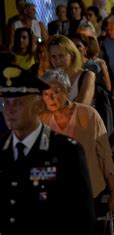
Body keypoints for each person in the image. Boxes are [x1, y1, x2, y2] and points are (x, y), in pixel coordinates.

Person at [0, 65, 95, 234]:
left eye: (18, 103)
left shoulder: (66, 151)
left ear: (38, 106)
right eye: (6, 103)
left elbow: (82, 217)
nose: (9, 109)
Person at [40, 69, 114, 214]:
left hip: (88, 189)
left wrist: (113, 193)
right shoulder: (41, 120)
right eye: (46, 93)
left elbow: (105, 154)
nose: (52, 97)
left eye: (57, 92)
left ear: (68, 90)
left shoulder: (89, 115)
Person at [47, 35, 96, 105]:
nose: (57, 61)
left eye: (61, 56)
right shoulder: (51, 78)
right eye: (53, 57)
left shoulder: (88, 76)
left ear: (72, 55)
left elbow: (83, 104)